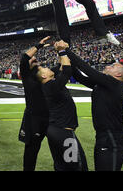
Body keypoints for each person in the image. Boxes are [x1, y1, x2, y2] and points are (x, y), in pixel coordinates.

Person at [64, 43, 123, 171]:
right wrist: (64, 57)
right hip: (104, 137)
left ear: (118, 75)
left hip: (113, 139)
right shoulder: (104, 84)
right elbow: (80, 76)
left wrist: (66, 51)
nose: (107, 66)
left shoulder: (114, 83)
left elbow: (88, 71)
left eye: (112, 66)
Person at [35, 41, 88, 171]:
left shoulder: (50, 84)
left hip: (56, 130)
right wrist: (62, 51)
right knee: (75, 166)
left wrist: (59, 51)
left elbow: (61, 66)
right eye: (44, 68)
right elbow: (66, 71)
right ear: (43, 75)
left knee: (62, 166)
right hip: (63, 132)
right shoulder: (50, 86)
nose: (48, 67)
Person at [18, 37, 50, 171]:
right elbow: (24, 58)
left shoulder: (45, 74)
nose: (34, 59)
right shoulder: (27, 76)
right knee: (31, 151)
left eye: (36, 58)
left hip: (52, 117)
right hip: (34, 119)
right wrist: (39, 45)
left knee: (58, 147)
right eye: (33, 59)